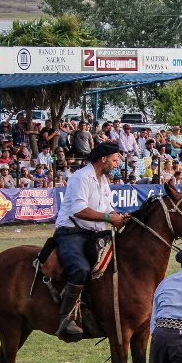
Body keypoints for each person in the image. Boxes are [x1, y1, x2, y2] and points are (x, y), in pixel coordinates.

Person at [53, 141, 129, 341]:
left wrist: (118, 217)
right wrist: (108, 218)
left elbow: (107, 207)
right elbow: (79, 210)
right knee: (80, 269)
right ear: (103, 159)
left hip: (94, 233)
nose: (116, 164)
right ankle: (66, 318)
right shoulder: (81, 177)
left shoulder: (103, 180)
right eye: (114, 160)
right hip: (71, 232)